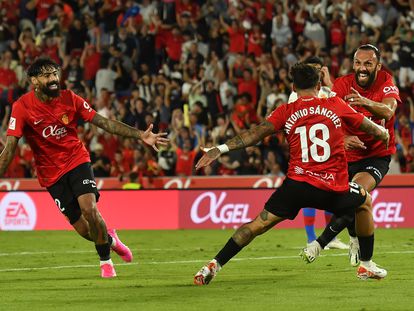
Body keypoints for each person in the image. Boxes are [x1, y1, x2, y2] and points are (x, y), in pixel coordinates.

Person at [193, 63, 389, 286]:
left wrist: (220, 149)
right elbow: (370, 128)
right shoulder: (335, 103)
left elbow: (255, 134)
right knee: (364, 201)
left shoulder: (286, 110)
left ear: (294, 87)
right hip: (331, 187)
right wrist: (383, 133)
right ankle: (366, 264)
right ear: (318, 85)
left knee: (257, 225)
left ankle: (213, 265)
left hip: (296, 186)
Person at [0, 58, 169, 278]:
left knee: (89, 208)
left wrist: (140, 135)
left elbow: (104, 122)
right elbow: (11, 147)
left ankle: (105, 262)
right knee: (82, 228)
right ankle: (111, 241)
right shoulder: (22, 107)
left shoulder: (70, 99)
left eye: (54, 74)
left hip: (76, 160)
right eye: (46, 75)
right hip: (50, 174)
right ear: (34, 80)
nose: (53, 79)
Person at [306, 44, 401, 267]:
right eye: (358, 63)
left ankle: (320, 243)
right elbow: (328, 119)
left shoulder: (387, 83)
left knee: (357, 194)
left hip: (376, 156)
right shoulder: (342, 84)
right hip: (346, 156)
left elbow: (388, 111)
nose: (362, 68)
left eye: (368, 64)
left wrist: (364, 101)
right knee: (355, 203)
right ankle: (354, 239)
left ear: (378, 65)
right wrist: (343, 138)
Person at [289, 56, 348, 250]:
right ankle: (310, 237)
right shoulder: (296, 95)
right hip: (307, 153)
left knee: (329, 192)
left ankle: (330, 238)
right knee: (310, 194)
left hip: (329, 152)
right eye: (313, 69)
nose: (316, 73)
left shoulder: (329, 92)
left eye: (319, 69)